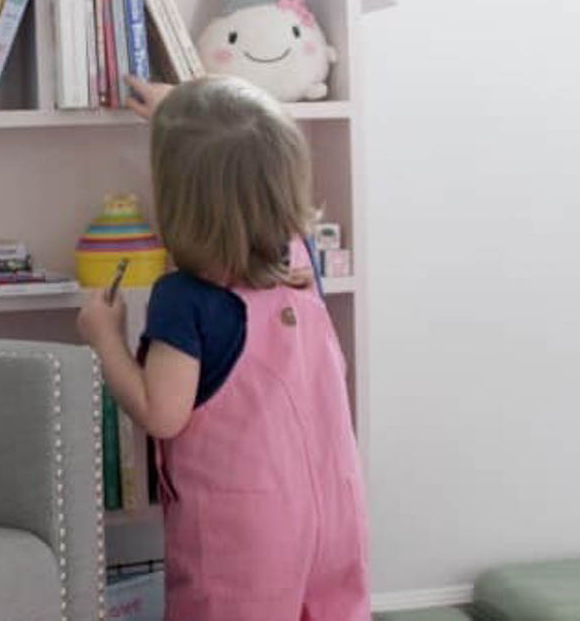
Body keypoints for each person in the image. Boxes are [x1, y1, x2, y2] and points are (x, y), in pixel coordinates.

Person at [77, 74, 369, 621]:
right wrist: (181, 112)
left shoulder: (185, 299)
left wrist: (105, 340)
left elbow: (161, 414)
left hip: (246, 539)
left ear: (178, 199)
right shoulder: (298, 258)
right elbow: (246, 153)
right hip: (335, 509)